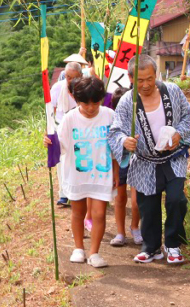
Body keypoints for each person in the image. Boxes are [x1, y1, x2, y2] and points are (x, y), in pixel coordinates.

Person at [109, 54, 190, 265]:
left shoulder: (171, 91)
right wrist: (124, 141)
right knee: (148, 206)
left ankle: (173, 244)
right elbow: (115, 131)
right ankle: (151, 247)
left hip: (173, 157)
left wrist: (178, 133)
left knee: (177, 199)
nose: (146, 84)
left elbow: (189, 116)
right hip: (145, 161)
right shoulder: (127, 102)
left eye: (149, 78)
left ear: (156, 75)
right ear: (130, 78)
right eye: (140, 80)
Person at [46, 75, 114, 268]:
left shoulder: (109, 115)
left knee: (99, 214)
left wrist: (117, 174)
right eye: (85, 104)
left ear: (102, 99)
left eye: (95, 103)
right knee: (78, 211)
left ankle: (94, 252)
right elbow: (61, 147)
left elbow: (116, 147)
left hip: (102, 173)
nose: (90, 108)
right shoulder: (69, 118)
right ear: (76, 101)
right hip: (77, 174)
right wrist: (50, 143)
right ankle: (78, 247)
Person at [108, 86, 141, 247]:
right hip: (121, 162)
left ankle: (135, 227)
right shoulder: (114, 123)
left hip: (137, 162)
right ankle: (120, 232)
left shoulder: (140, 119)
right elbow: (112, 144)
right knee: (120, 198)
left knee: (136, 201)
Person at [49, 62, 81, 207]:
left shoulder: (83, 88)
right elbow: (51, 110)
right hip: (60, 126)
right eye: (68, 77)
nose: (70, 80)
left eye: (74, 77)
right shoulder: (57, 87)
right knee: (61, 161)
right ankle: (63, 194)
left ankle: (79, 191)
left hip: (78, 128)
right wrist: (50, 131)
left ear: (80, 76)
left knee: (77, 160)